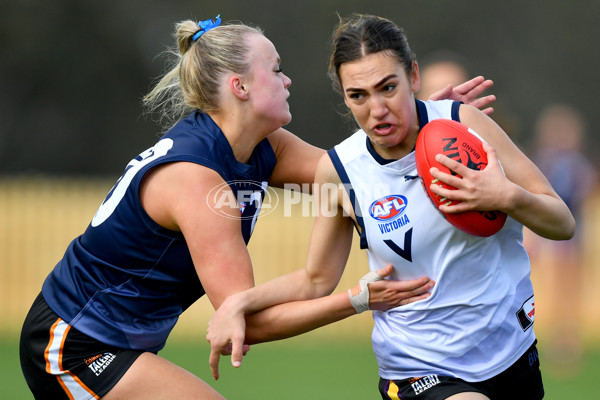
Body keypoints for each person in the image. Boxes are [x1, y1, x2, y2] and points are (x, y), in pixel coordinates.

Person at [18, 14, 495, 400]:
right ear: (241, 87)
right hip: (72, 345)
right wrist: (357, 300)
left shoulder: (265, 146)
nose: (287, 80)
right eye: (276, 68)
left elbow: (353, 181)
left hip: (117, 344)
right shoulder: (196, 181)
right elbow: (248, 324)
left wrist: (413, 124)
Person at [206, 14, 575, 400]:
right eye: (358, 95)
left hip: (511, 352)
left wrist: (507, 196)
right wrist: (239, 303)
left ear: (413, 77)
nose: (377, 109)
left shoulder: (466, 124)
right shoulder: (339, 170)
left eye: (388, 87)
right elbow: (316, 280)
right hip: (418, 368)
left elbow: (562, 222)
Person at [525, 103, 597, 373]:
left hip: (575, 235)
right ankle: (557, 337)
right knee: (554, 287)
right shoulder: (544, 161)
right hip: (552, 237)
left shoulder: (578, 163)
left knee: (571, 287)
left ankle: (570, 337)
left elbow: (584, 192)